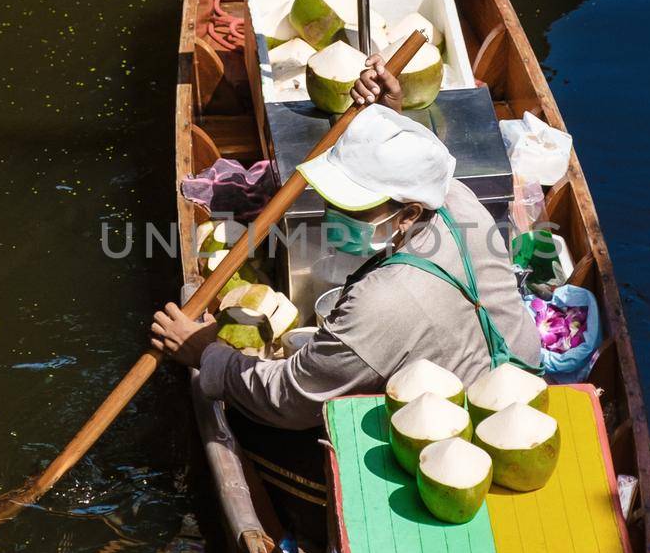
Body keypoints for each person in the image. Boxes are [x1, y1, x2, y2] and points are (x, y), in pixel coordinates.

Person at [152, 54, 539, 432]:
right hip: (523, 375)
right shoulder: (458, 200)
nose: (331, 216)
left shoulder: (379, 303)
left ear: (408, 215)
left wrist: (206, 353)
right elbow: (413, 170)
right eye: (331, 200)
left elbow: (291, 399)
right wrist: (388, 119)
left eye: (354, 208)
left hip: (467, 422)